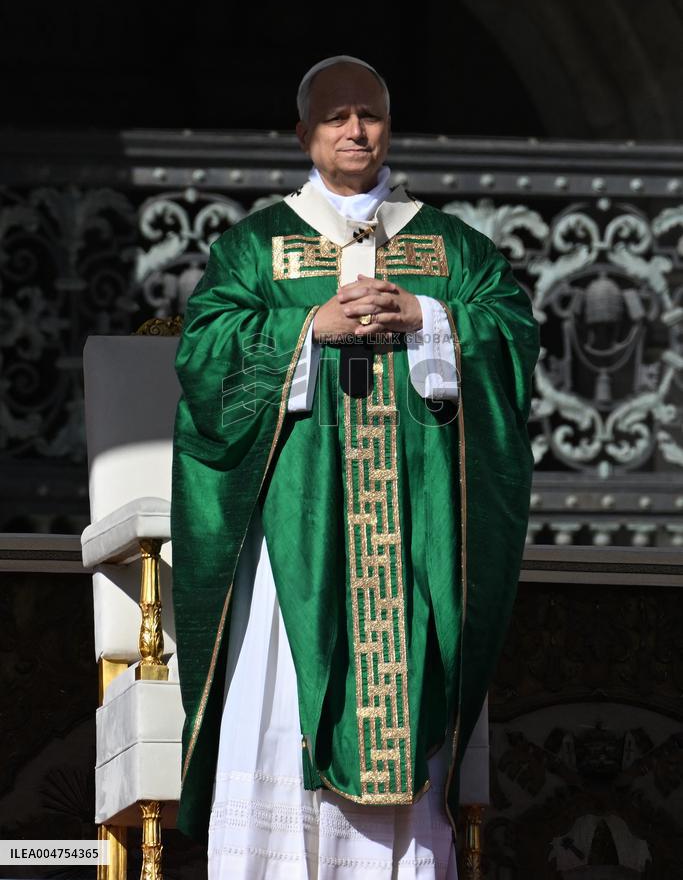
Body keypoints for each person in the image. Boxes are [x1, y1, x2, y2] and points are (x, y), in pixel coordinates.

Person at [170, 56, 540, 878]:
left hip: (409, 530)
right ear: (303, 134)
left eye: (368, 115)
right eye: (335, 117)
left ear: (388, 128)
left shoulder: (450, 248)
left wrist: (430, 315)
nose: (353, 130)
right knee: (280, 690)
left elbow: (514, 339)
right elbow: (203, 358)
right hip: (296, 538)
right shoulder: (256, 246)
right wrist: (308, 331)